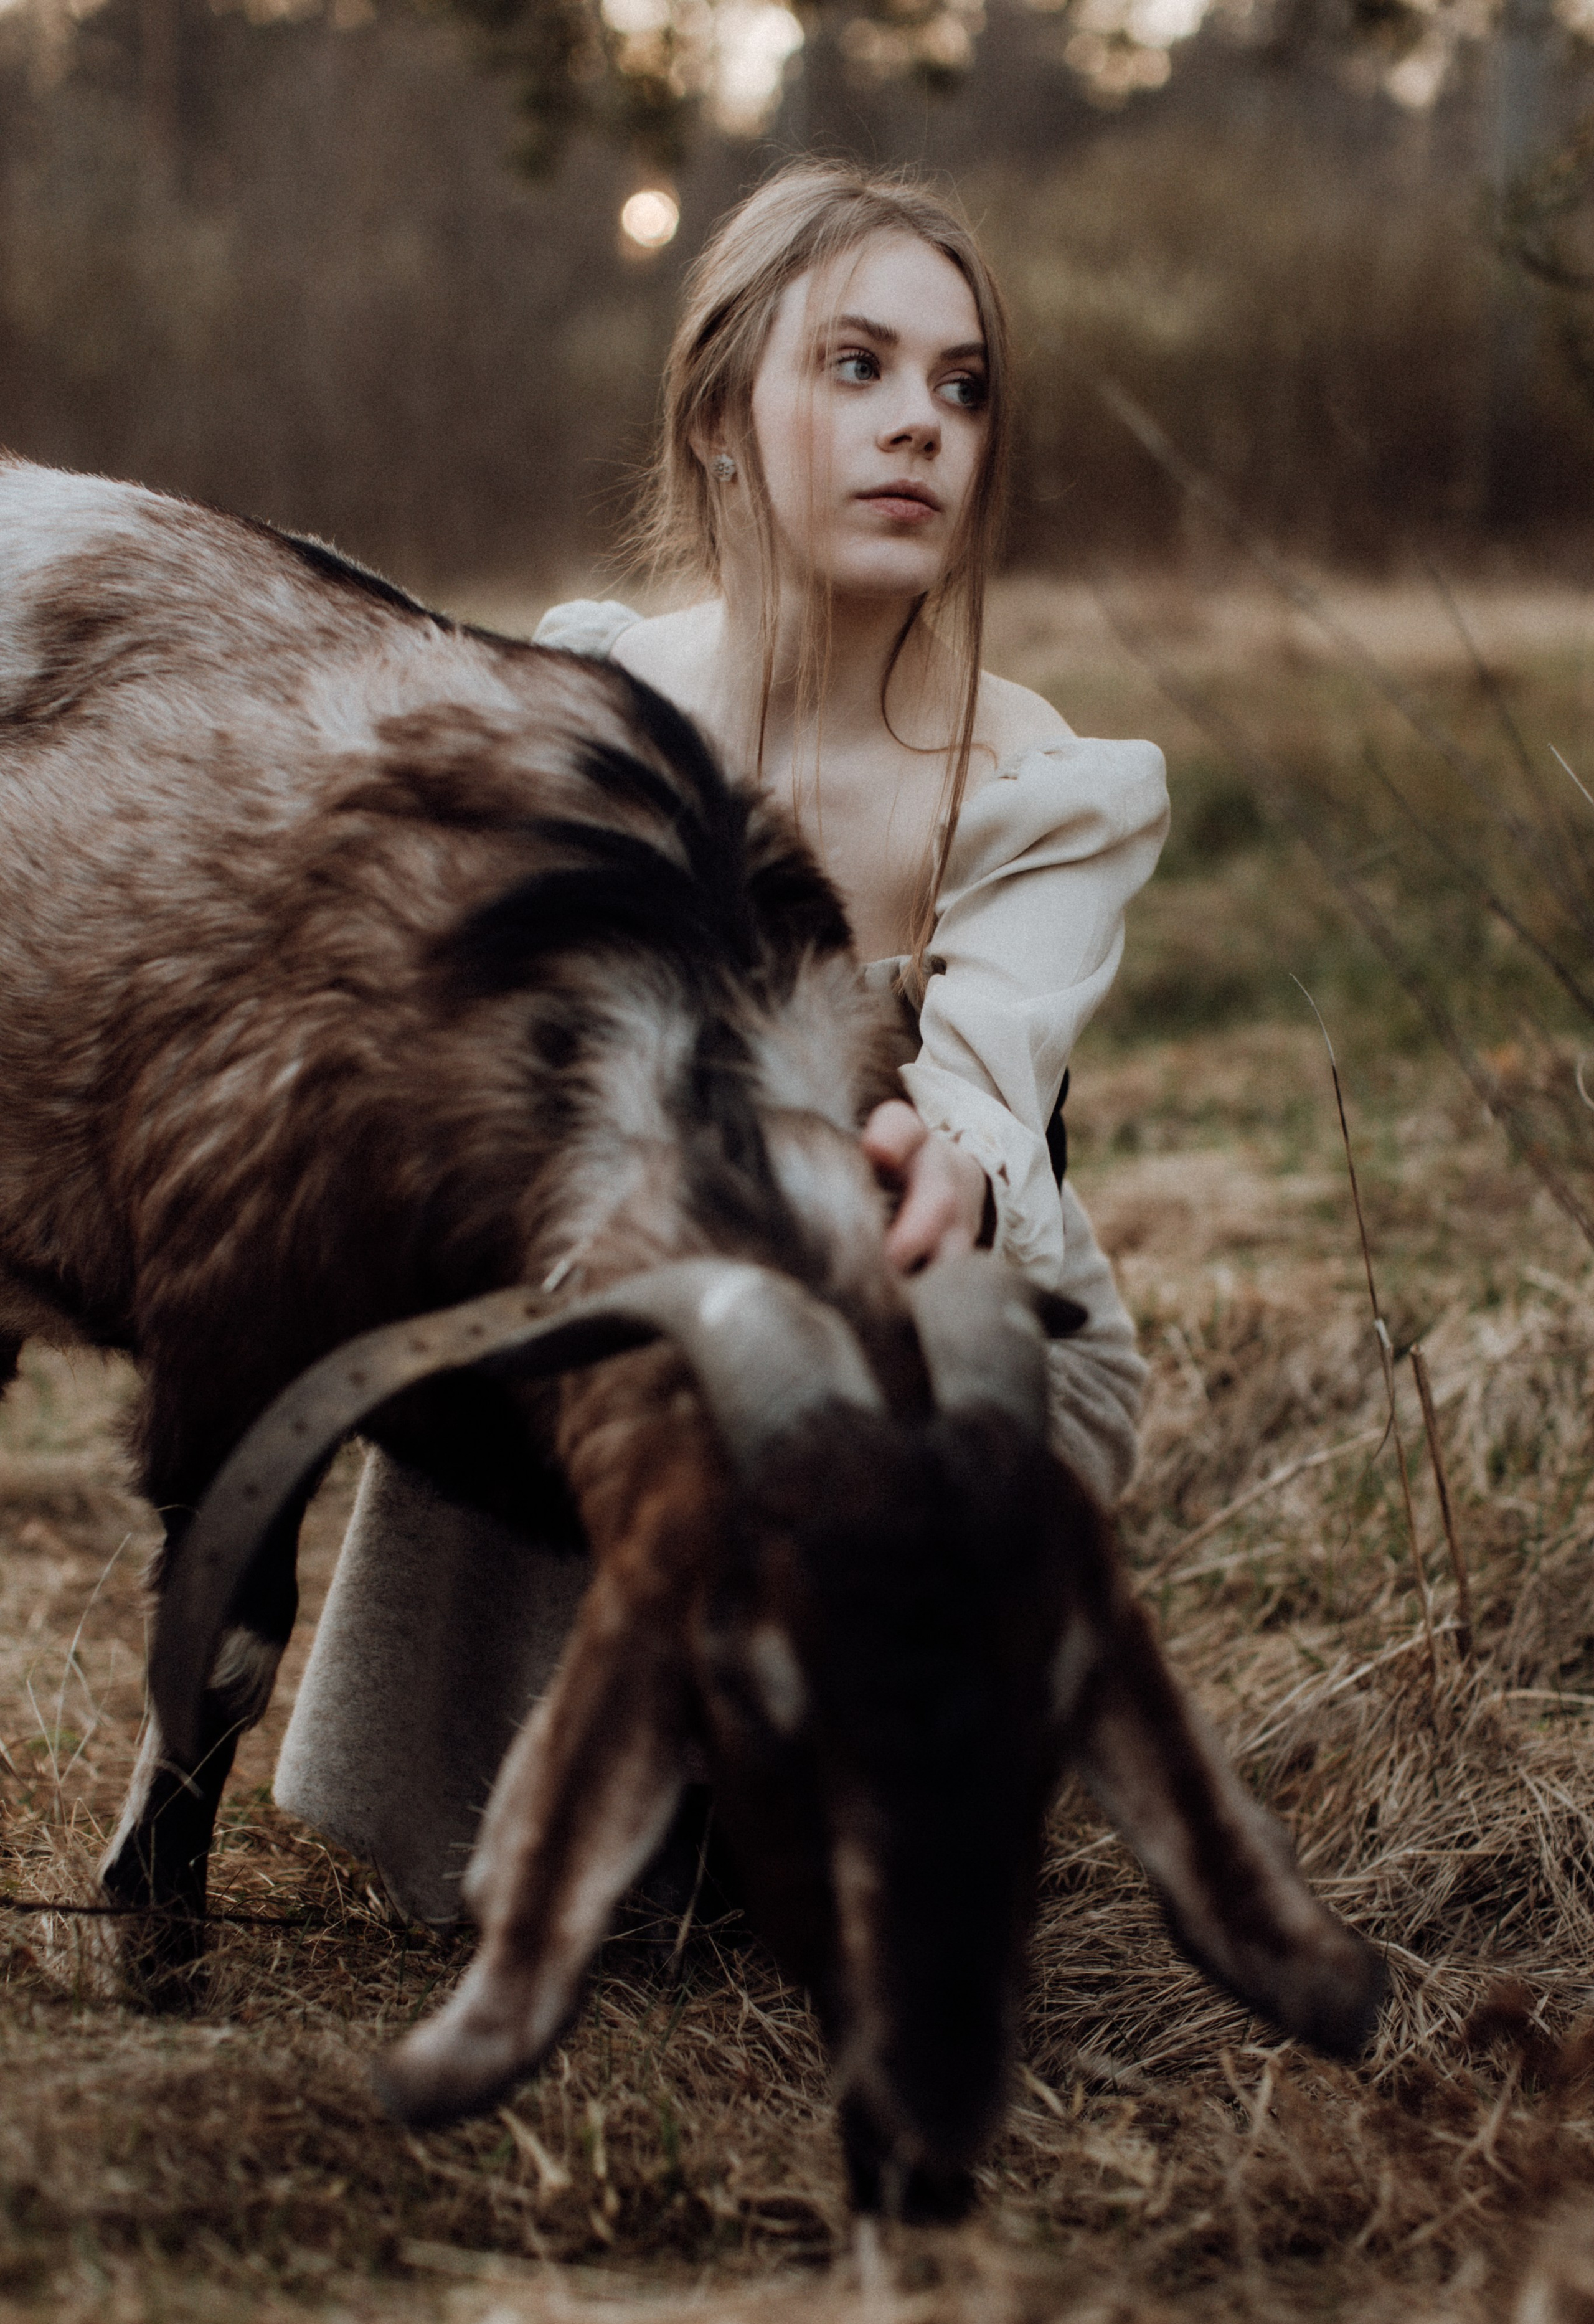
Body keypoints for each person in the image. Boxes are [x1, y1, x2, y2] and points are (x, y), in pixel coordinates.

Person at [273, 161, 1170, 1921]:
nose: (920, 424)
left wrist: (930, 1167)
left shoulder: (1041, 782)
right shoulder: (595, 695)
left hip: (945, 1306)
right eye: (857, 365)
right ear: (717, 424)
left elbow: (992, 1114)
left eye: (962, 385)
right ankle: (496, 1808)